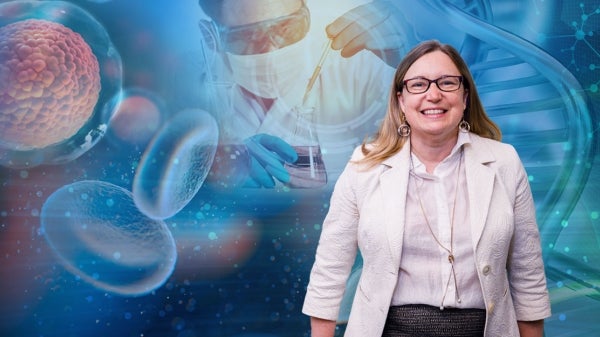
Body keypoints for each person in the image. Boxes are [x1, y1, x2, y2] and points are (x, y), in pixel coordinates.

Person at [302, 40, 551, 336]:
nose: (434, 94)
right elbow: (329, 270)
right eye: (418, 84)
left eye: (447, 83)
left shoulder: (504, 162)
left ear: (465, 96)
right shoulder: (364, 164)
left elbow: (528, 275)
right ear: (401, 101)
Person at [196, 0, 407, 188]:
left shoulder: (355, 66)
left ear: (307, 14)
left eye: (286, 27)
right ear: (211, 36)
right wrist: (207, 172)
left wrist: (412, 65)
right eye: (248, 36)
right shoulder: (189, 97)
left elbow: (426, 148)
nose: (271, 49)